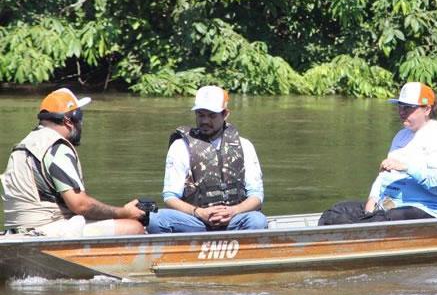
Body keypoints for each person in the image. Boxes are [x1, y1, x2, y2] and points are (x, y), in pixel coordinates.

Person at [1, 88, 145, 236]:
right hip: (45, 229)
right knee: (133, 228)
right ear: (69, 120)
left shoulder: (23, 145)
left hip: (16, 230)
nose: (81, 123)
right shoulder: (56, 147)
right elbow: (80, 204)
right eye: (80, 117)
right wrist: (123, 212)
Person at [318, 82, 437, 225]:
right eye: (400, 106)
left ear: (427, 109)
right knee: (335, 213)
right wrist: (372, 199)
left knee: (380, 221)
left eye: (408, 108)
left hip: (427, 210)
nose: (401, 111)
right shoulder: (401, 136)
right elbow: (384, 174)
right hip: (389, 207)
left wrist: (407, 167)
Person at [147, 85, 268, 233]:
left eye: (211, 115)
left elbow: (256, 195)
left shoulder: (245, 145)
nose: (205, 121)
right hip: (196, 221)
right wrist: (199, 212)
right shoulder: (180, 146)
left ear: (225, 114)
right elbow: (170, 197)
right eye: (200, 115)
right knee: (155, 219)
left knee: (257, 220)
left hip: (235, 219)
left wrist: (233, 211)